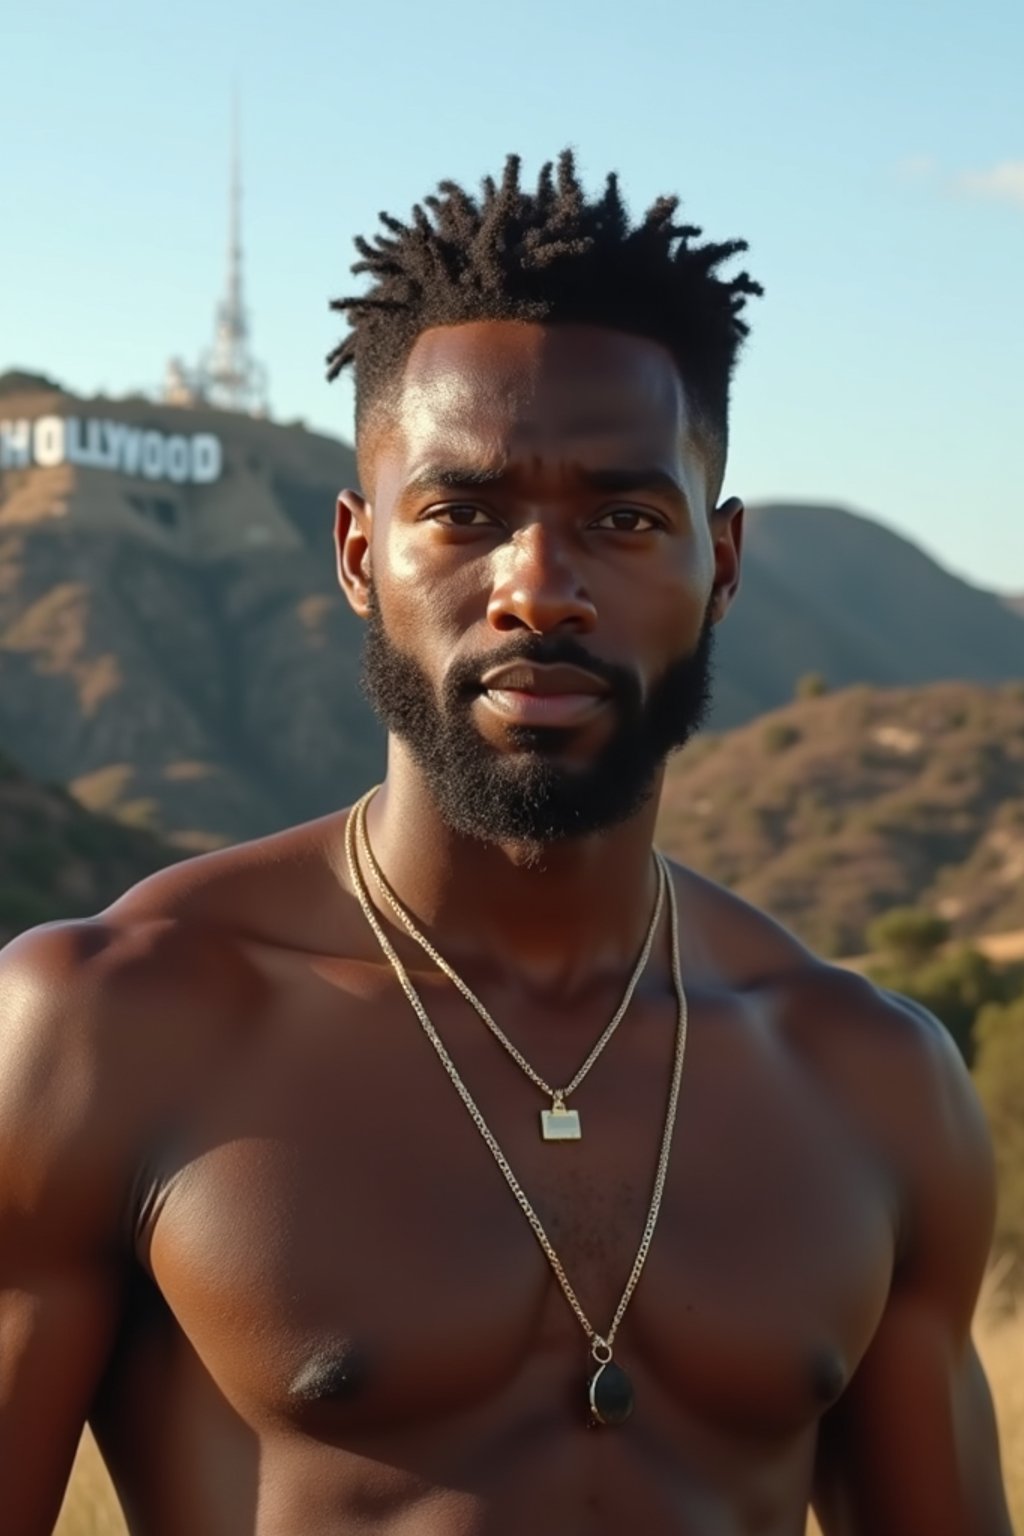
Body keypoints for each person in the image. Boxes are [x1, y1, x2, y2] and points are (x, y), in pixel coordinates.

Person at [0, 152, 1011, 1536]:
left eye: (622, 518)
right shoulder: (108, 1029)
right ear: (361, 554)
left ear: (718, 566)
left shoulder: (872, 1081)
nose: (540, 589)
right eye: (465, 513)